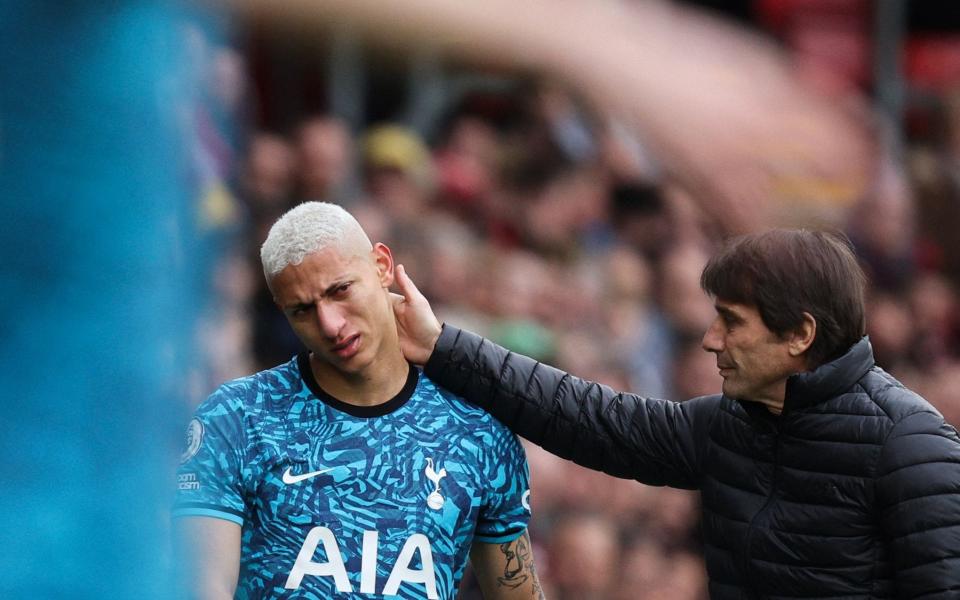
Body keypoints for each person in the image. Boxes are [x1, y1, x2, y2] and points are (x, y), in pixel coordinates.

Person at [392, 229, 960, 598]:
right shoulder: (727, 427)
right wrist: (442, 347)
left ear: (800, 334)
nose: (710, 340)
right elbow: (584, 417)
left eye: (732, 321)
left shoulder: (911, 448)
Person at [174, 201, 543, 599]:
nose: (330, 324)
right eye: (302, 310)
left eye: (340, 290)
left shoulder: (478, 433)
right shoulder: (236, 419)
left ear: (382, 265)